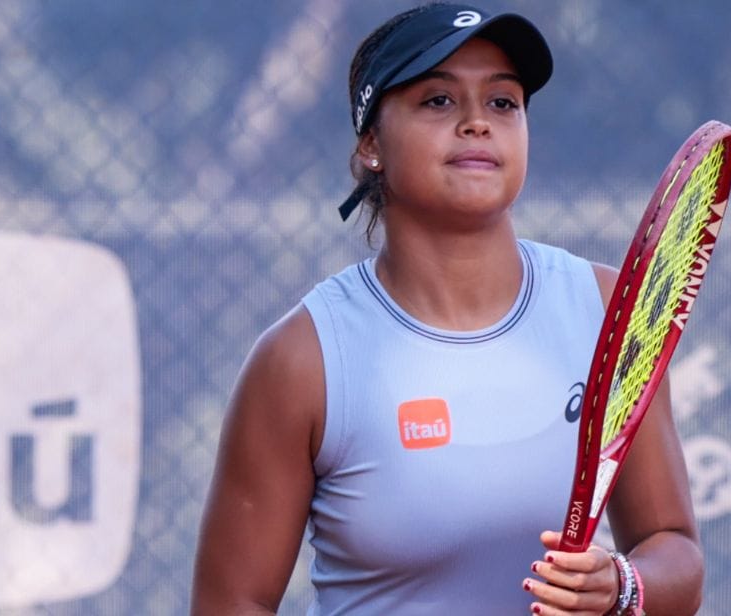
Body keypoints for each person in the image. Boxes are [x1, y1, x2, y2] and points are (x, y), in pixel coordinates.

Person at [191, 3, 704, 615]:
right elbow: (233, 603)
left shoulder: (605, 311)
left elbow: (675, 553)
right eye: (438, 100)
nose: (477, 123)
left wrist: (622, 585)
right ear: (371, 143)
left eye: (503, 102)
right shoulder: (302, 360)